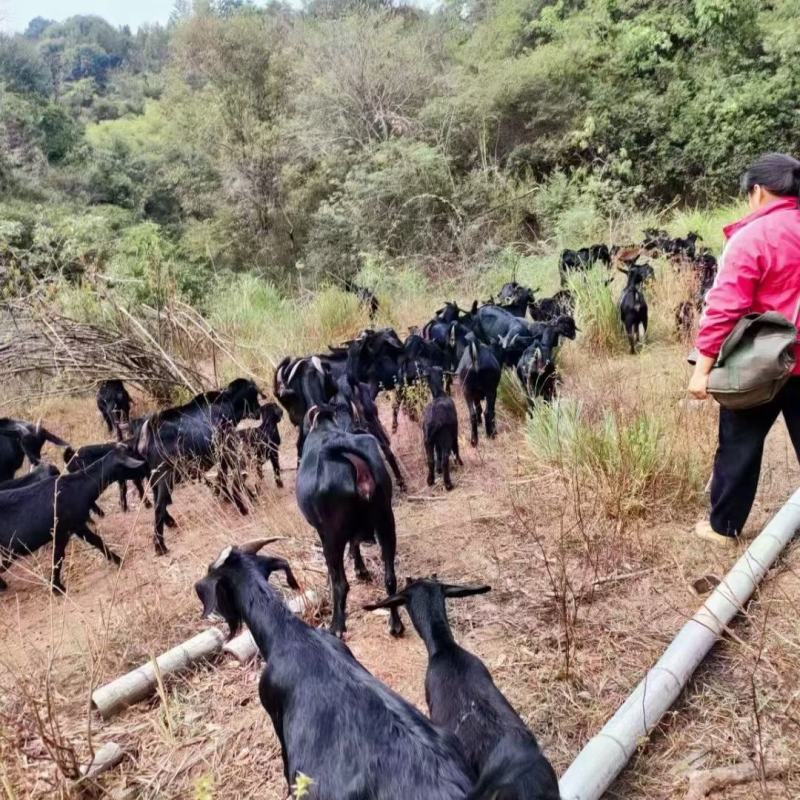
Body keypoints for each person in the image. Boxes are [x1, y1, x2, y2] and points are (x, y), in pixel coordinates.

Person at [688, 152, 800, 544]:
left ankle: (724, 528)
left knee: (738, 444)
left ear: (757, 191)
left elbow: (725, 307)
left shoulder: (754, 236)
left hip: (762, 364)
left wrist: (702, 369)